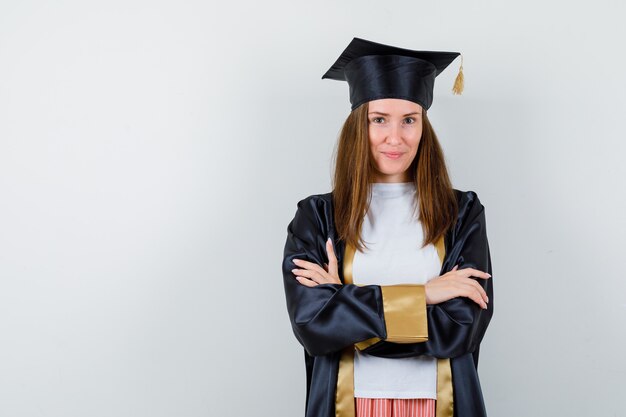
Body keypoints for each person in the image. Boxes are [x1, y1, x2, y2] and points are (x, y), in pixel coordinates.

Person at [281, 37, 494, 417]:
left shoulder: (460, 213)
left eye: (409, 120)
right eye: (379, 119)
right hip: (347, 403)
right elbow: (313, 324)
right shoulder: (317, 216)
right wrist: (427, 294)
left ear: (423, 127)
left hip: (441, 403)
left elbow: (461, 327)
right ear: (357, 127)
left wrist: (344, 303)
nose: (395, 138)